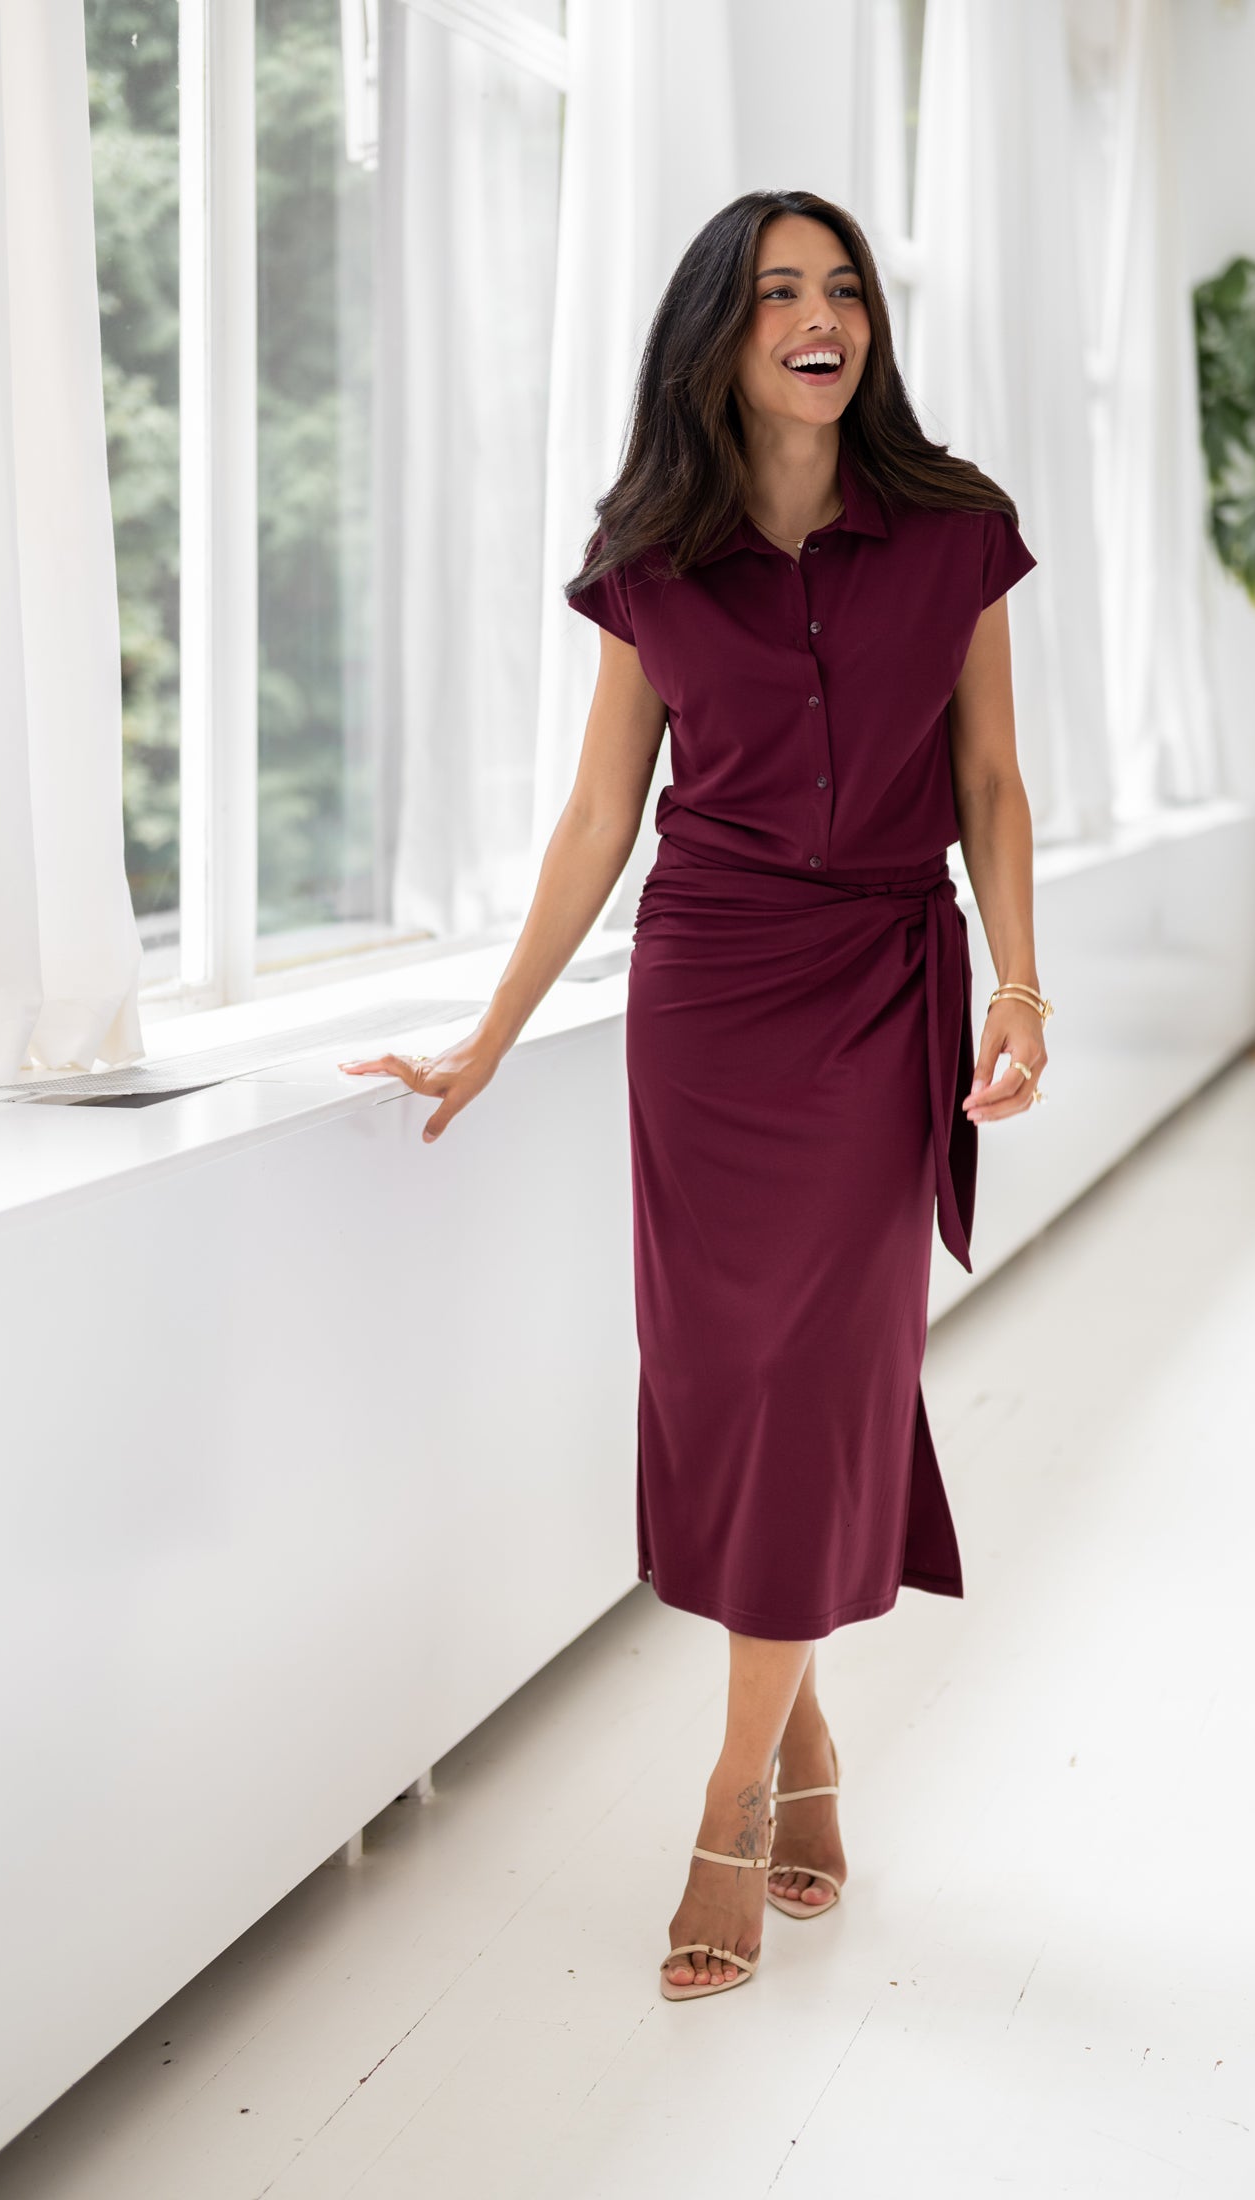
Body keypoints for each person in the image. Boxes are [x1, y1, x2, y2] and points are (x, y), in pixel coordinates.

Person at [342, 189, 1049, 2004]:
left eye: (844, 291)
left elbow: (991, 779)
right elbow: (598, 814)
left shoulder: (958, 530)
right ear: (718, 335)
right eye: (777, 294)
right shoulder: (650, 553)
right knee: (736, 1388)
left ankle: (732, 1786)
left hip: (884, 996)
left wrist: (1023, 983)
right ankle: (808, 1745)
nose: (821, 318)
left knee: (827, 1375)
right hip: (710, 1006)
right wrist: (493, 1033)